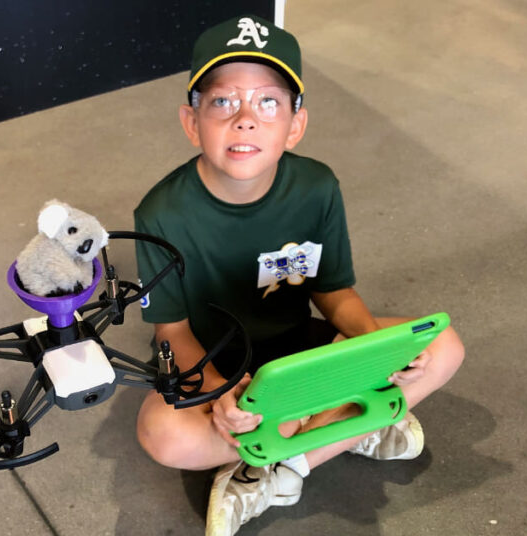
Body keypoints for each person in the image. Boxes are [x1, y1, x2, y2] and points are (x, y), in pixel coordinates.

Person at [133, 14, 465, 536]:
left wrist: (377, 349)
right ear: (191, 122)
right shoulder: (160, 213)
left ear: (295, 125)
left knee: (442, 346)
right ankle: (347, 426)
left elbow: (332, 290)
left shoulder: (317, 186)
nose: (245, 119)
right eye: (223, 101)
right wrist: (219, 395)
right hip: (217, 365)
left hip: (298, 356)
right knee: (162, 433)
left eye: (268, 102)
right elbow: (171, 332)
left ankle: (278, 469)